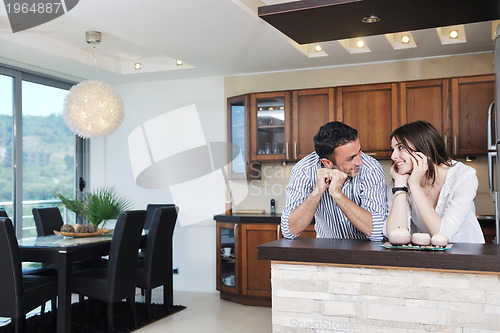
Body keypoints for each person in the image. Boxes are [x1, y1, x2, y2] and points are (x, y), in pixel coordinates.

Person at [281, 121, 388, 240]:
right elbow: (289, 231)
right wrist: (317, 191)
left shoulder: (371, 169)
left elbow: (378, 232)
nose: (360, 162)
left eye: (359, 152)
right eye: (351, 158)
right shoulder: (303, 170)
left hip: (367, 251)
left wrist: (337, 194)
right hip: (327, 250)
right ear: (327, 163)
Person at [385, 121, 484, 243]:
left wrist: (415, 185)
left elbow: (443, 234)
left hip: (466, 254)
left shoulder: (464, 176)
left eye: (400, 147)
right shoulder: (401, 178)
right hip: (426, 257)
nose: (393, 156)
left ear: (423, 147)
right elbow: (396, 234)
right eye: (392, 149)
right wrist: (400, 185)